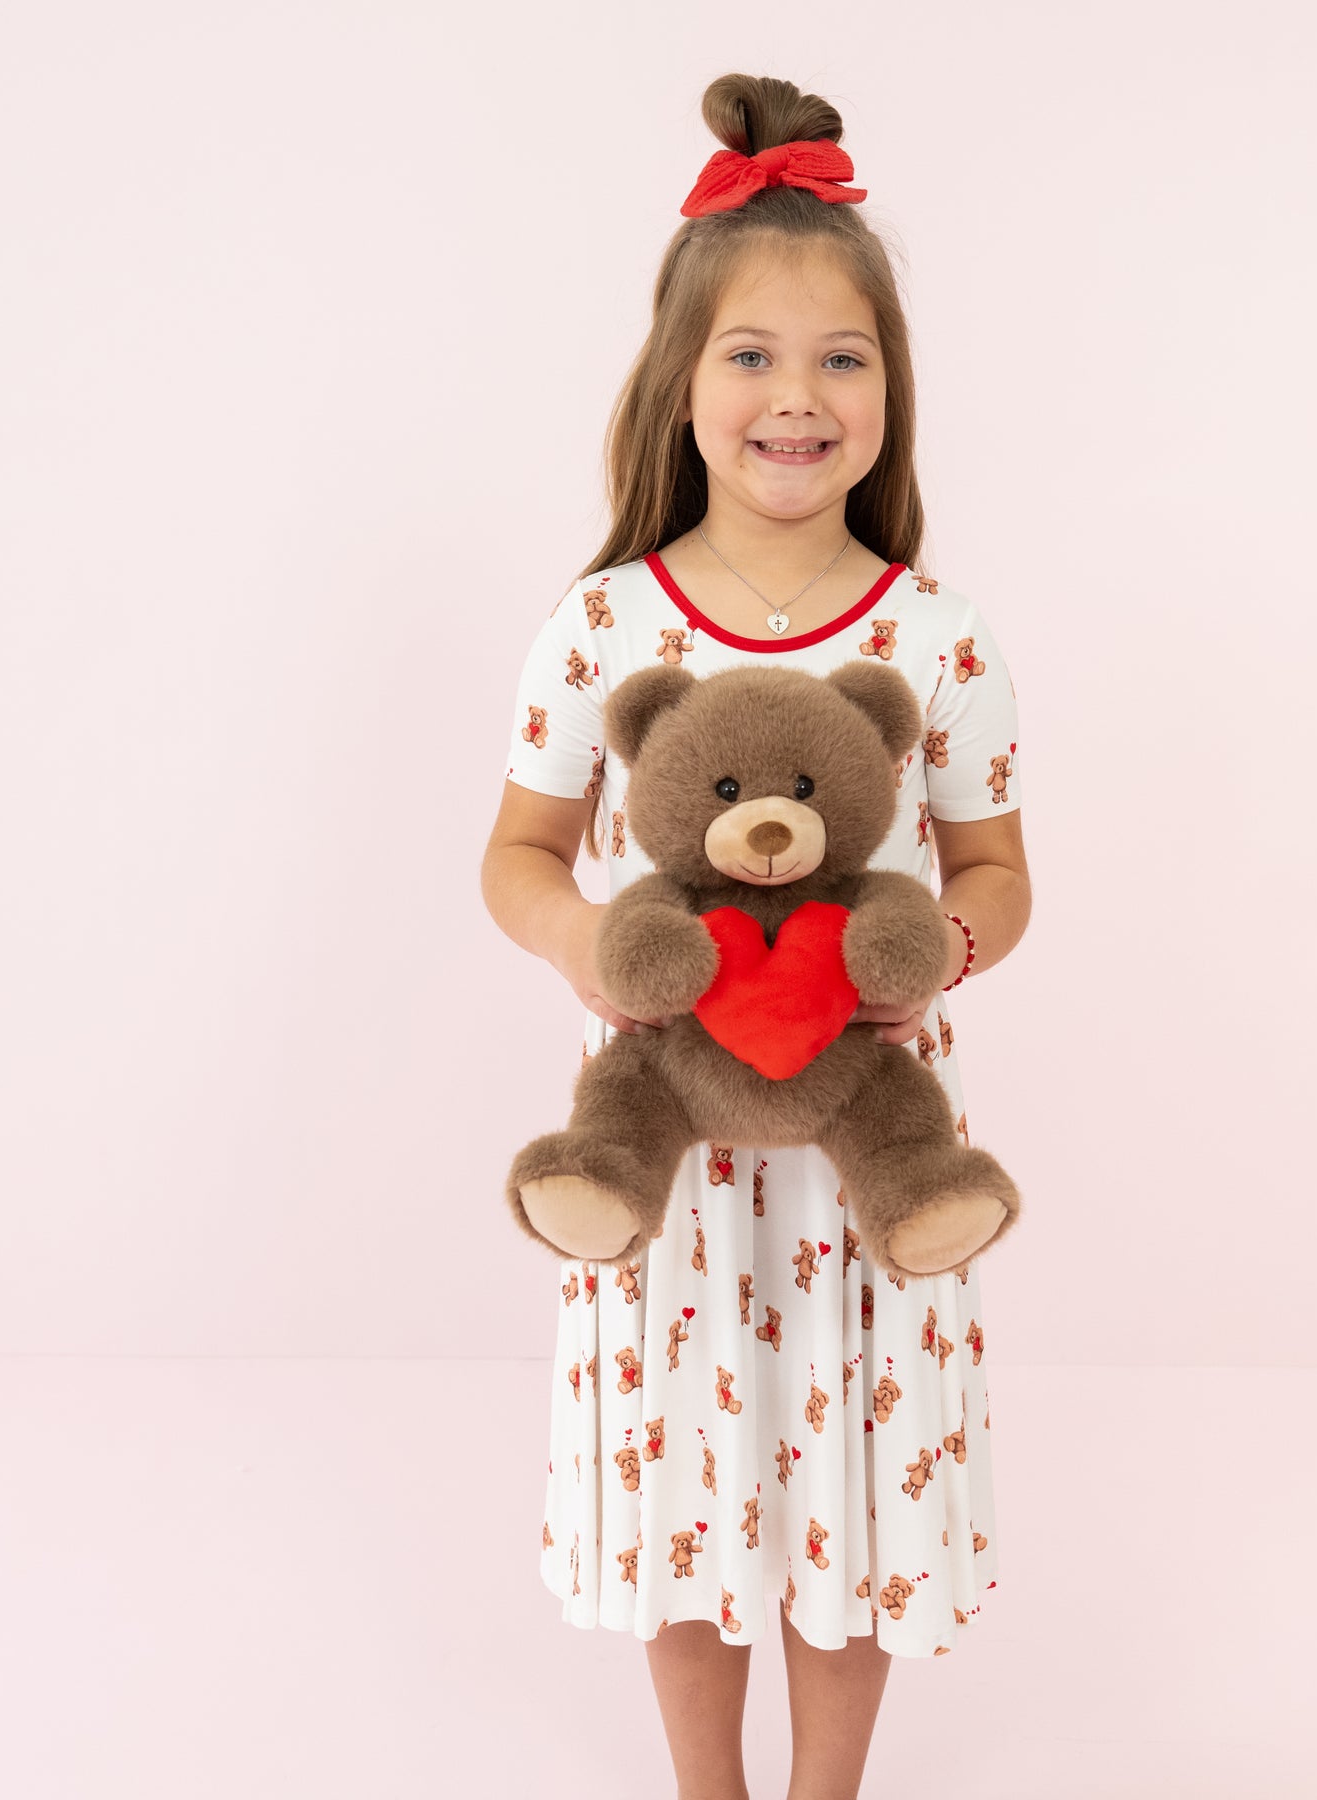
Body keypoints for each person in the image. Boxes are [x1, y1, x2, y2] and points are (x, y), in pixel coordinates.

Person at [480, 70, 1031, 1800]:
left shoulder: (936, 636)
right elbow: (517, 855)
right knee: (689, 1488)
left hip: (866, 1146)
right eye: (753, 356)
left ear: (891, 392)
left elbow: (997, 875)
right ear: (681, 384)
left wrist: (931, 959)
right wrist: (590, 945)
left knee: (852, 1485)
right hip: (669, 1161)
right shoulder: (602, 629)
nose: (799, 396)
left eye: (842, 358)